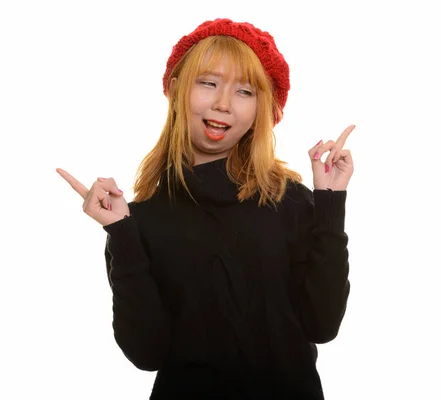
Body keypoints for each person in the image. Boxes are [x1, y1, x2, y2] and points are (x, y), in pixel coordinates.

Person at [57, 18, 355, 399]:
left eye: (244, 91)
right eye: (208, 83)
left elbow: (323, 326)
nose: (222, 104)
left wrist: (331, 205)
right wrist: (121, 235)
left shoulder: (292, 201)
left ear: (262, 108)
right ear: (178, 90)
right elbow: (147, 353)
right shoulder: (140, 220)